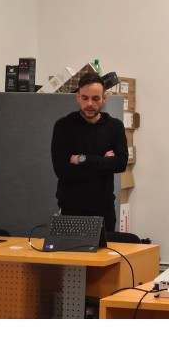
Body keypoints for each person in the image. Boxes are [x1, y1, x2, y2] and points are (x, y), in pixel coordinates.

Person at [51, 72, 128, 231]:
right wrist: (104, 163)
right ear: (78, 97)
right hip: (70, 210)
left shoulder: (114, 126)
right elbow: (62, 170)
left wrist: (82, 159)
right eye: (85, 98)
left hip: (104, 211)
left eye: (95, 98)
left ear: (104, 98)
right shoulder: (63, 126)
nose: (89, 104)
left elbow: (120, 164)